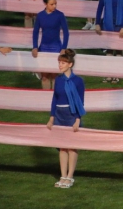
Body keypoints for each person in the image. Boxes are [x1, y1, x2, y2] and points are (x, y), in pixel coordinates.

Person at [47, 49, 85, 189]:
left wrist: (77, 119)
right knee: (62, 147)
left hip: (71, 114)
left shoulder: (78, 81)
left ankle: (70, 176)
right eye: (59, 62)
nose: (60, 65)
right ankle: (63, 176)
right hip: (59, 115)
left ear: (70, 64)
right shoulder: (58, 80)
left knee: (71, 147)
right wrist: (51, 117)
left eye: (63, 63)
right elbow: (54, 99)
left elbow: (80, 101)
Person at [33, 0, 69, 90]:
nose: (54, 6)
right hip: (43, 48)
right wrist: (35, 47)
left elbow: (66, 32)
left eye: (55, 4)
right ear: (46, 4)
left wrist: (63, 48)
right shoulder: (40, 16)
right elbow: (35, 32)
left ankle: (54, 97)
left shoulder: (60, 15)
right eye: (52, 4)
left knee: (54, 76)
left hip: (56, 48)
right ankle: (45, 98)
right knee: (44, 76)